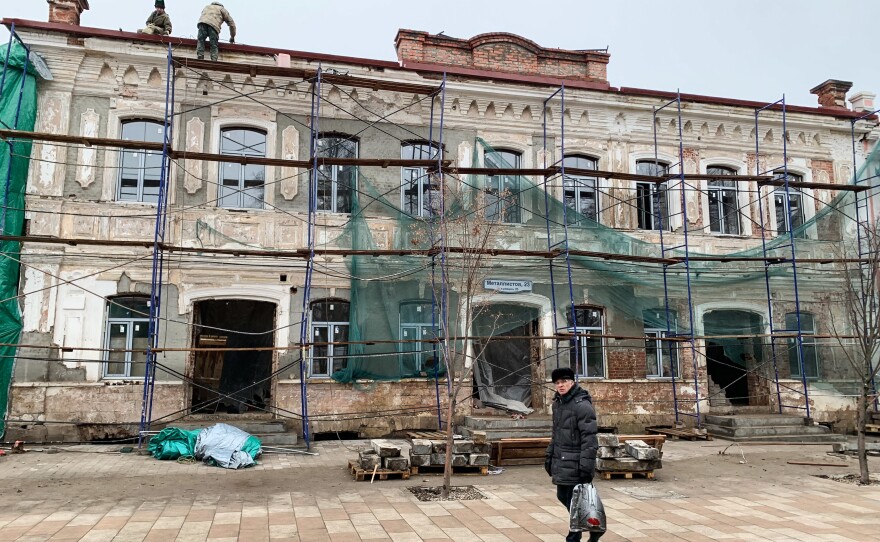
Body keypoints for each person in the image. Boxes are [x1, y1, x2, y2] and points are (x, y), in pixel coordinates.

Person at [545, 367, 601, 542]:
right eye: (558, 383)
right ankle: (595, 526)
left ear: (572, 382)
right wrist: (549, 455)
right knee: (564, 496)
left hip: (576, 462)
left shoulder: (582, 406)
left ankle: (574, 537)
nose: (561, 386)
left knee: (574, 501)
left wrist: (586, 465)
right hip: (562, 460)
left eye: (564, 382)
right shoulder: (558, 404)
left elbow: (589, 438)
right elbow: (557, 433)